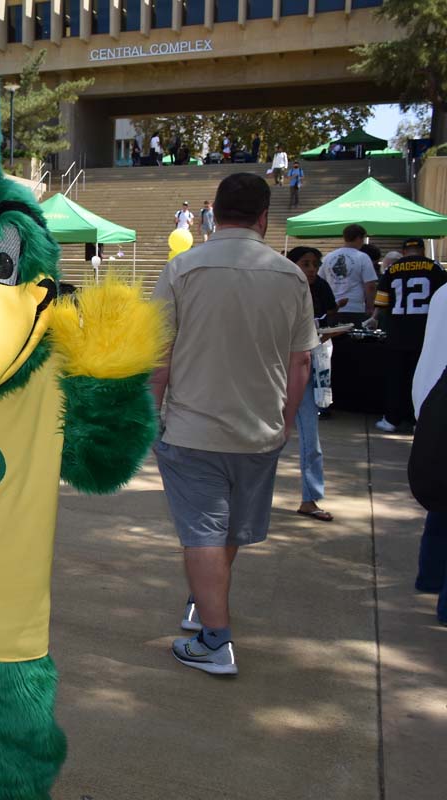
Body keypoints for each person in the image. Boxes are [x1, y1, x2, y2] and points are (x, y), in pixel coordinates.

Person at [151, 173, 317, 675]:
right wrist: (285, 423)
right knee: (225, 532)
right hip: (259, 429)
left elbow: (159, 355)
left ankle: (215, 640)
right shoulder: (291, 276)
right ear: (265, 217)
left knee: (202, 531)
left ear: (214, 213)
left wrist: (149, 414)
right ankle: (206, 606)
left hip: (190, 428)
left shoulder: (182, 269)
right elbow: (301, 364)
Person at [369, 237, 446, 432]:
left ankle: (391, 419)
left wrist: (374, 318)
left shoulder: (392, 269)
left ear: (404, 252)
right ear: (422, 251)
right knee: (422, 375)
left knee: (395, 377)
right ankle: (418, 419)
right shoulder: (434, 268)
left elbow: (382, 301)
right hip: (424, 332)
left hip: (397, 331)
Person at [288, 246, 340, 522]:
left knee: (311, 438)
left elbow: (329, 315)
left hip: (308, 370)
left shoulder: (320, 287)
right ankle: (245, 495)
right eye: (305, 263)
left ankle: (310, 498)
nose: (311, 269)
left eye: (315, 265)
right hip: (276, 372)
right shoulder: (279, 290)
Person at [412, 284, 447, 625]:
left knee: (440, 503)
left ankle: (431, 575)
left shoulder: (441, 294)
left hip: (430, 404)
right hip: (437, 399)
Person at [319, 224, 377, 324]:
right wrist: (370, 307)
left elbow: (320, 281)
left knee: (334, 339)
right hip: (355, 308)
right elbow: (370, 285)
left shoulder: (328, 257)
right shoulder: (362, 257)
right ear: (359, 238)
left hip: (332, 308)